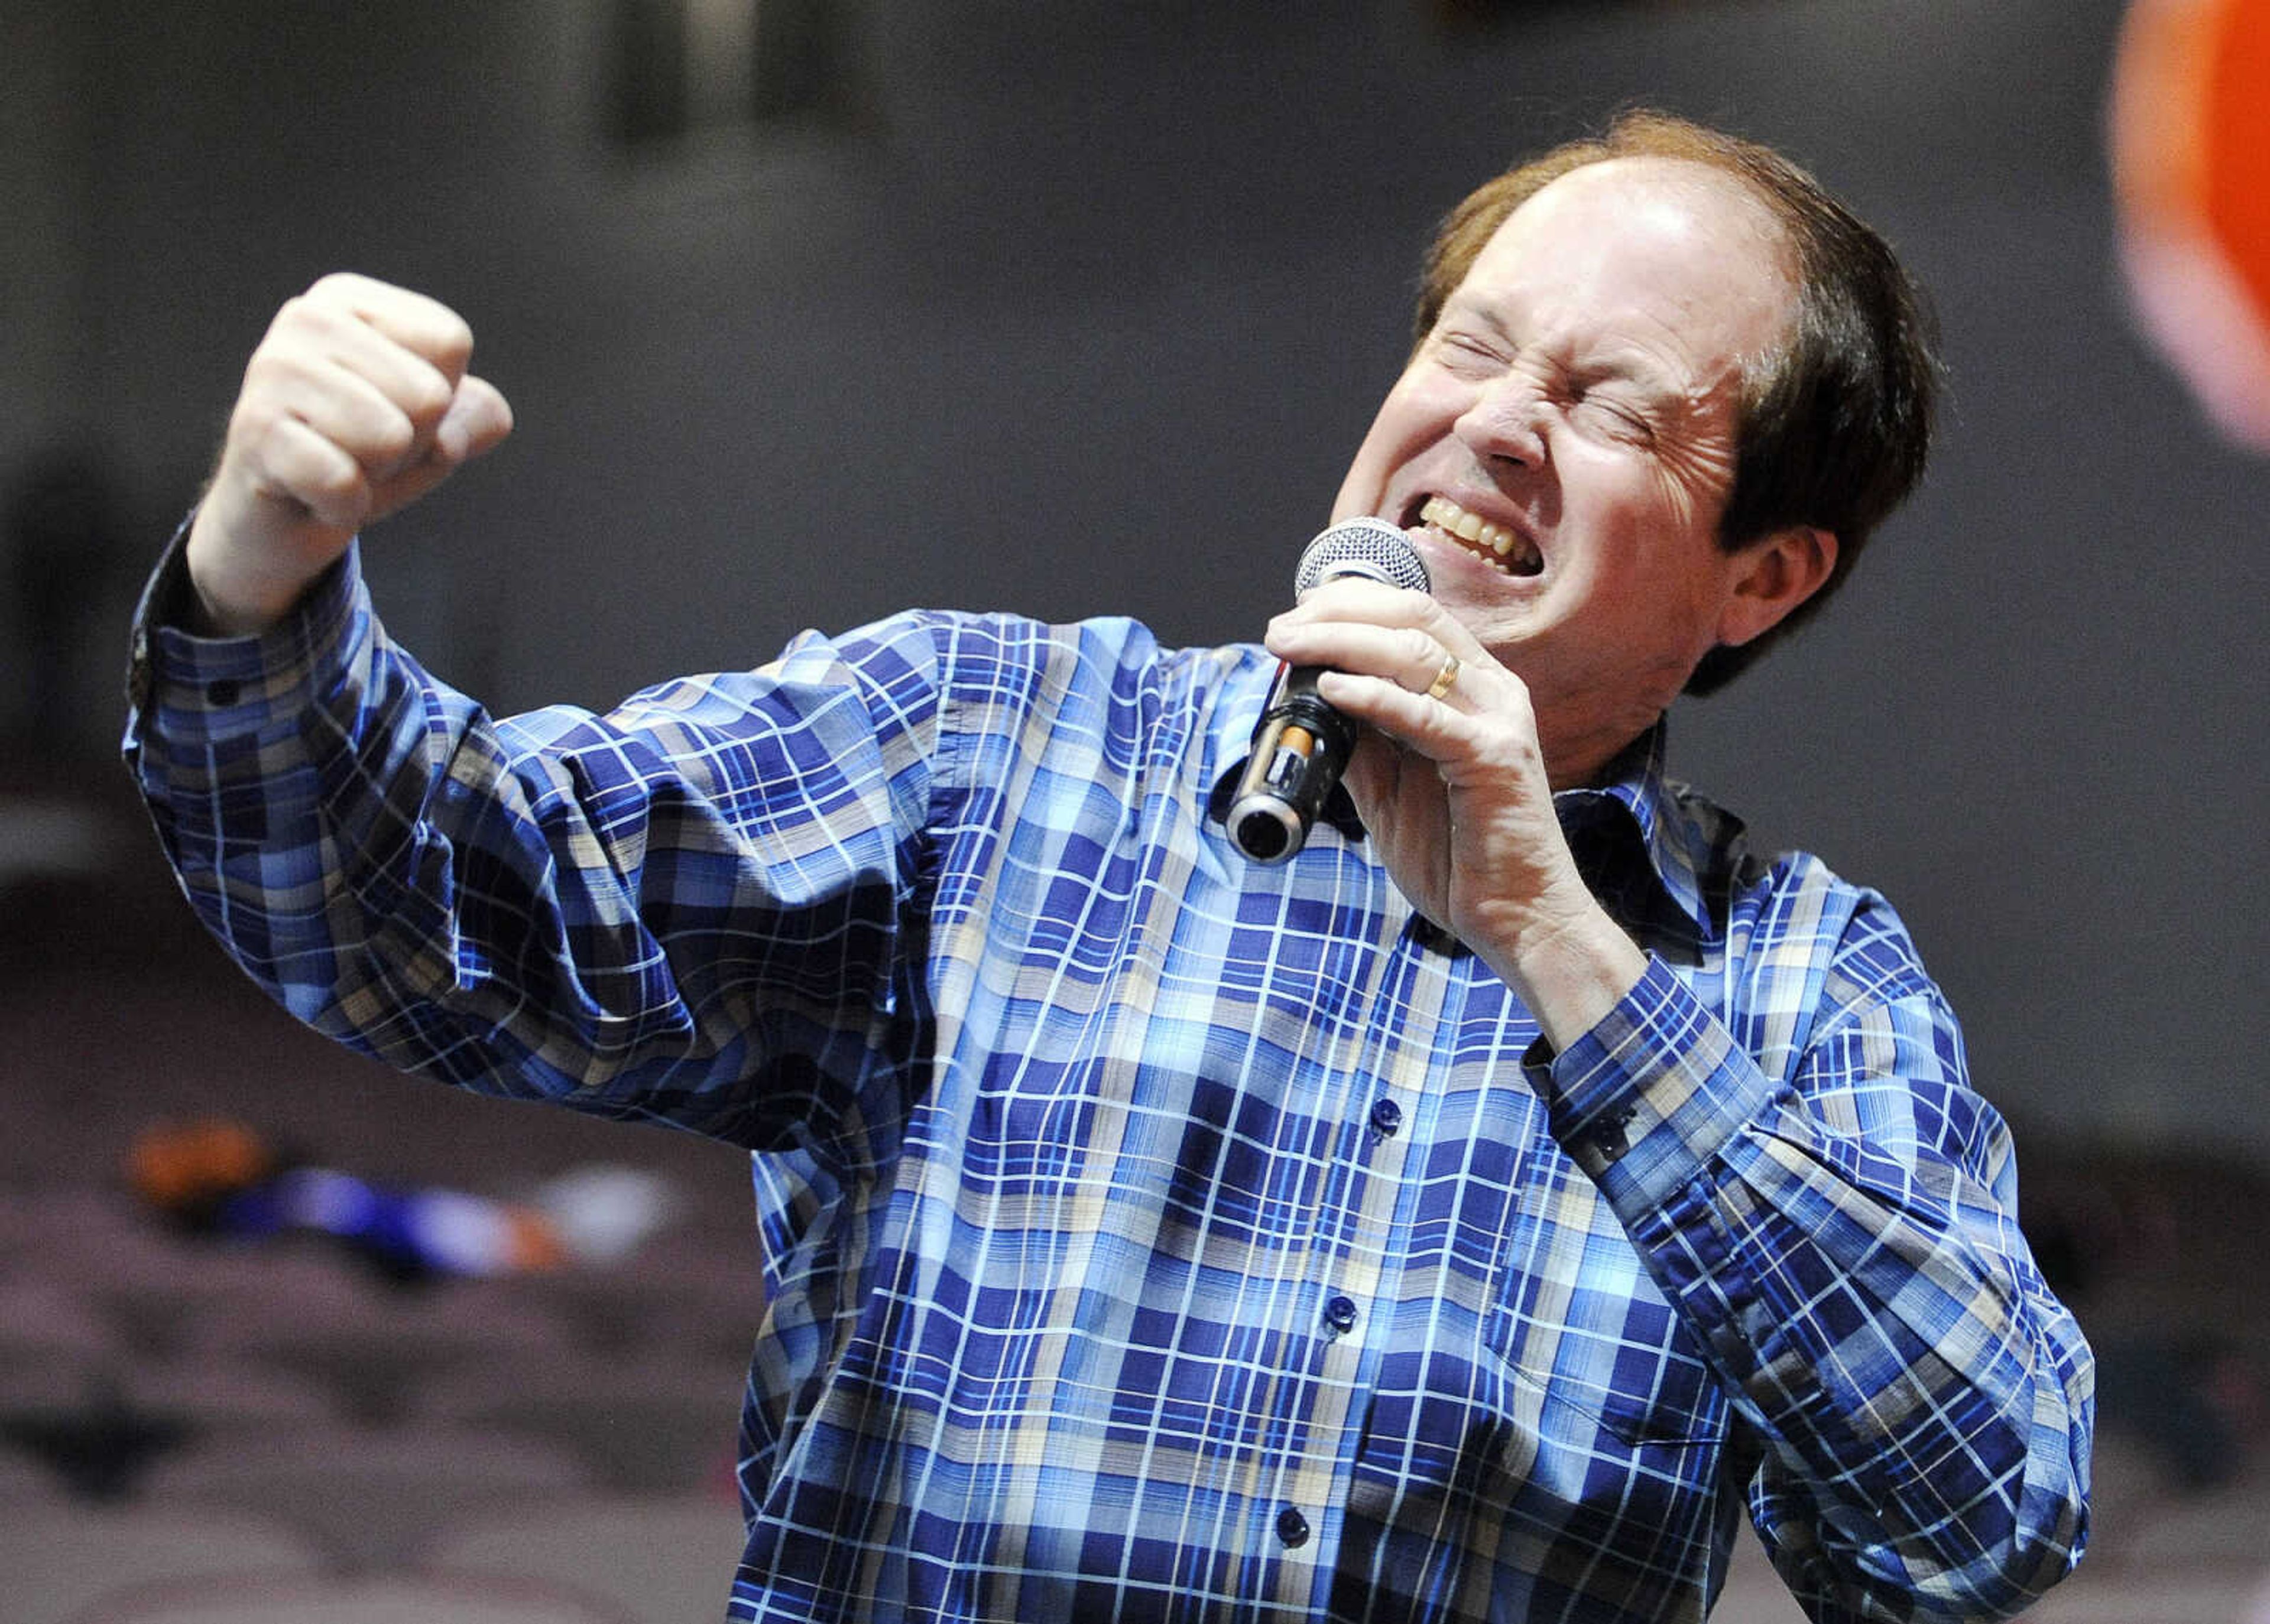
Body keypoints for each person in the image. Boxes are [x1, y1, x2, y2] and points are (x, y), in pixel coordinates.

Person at [122, 111, 2093, 1622]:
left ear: (1766, 571)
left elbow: (1974, 1531)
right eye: (1473, 348)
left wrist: (1566, 952)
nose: (1494, 423)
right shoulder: (988, 752)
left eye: (1607, 405)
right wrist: (262, 562)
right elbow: (430, 912)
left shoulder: (1798, 989)